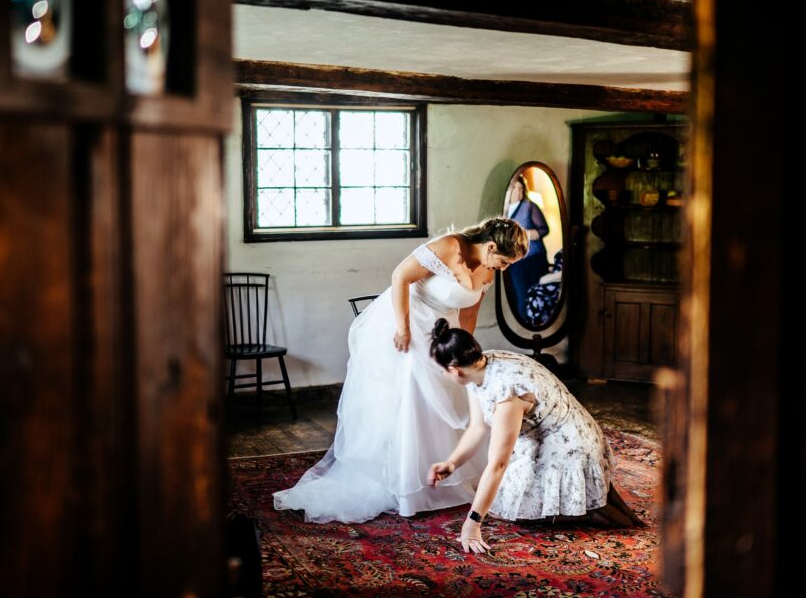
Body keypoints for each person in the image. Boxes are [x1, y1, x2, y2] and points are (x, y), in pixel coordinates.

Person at [273, 217, 529, 523]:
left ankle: (445, 480)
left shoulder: (487, 268)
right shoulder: (449, 247)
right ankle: (409, 489)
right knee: (413, 392)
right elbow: (400, 277)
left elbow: (469, 311)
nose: (504, 269)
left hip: (444, 329)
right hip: (411, 321)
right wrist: (403, 328)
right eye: (504, 261)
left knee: (450, 394)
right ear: (490, 246)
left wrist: (464, 350)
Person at [426, 320, 643, 554]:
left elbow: (498, 464)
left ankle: (591, 511)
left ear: (454, 370)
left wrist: (472, 524)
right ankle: (584, 503)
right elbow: (478, 428)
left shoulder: (506, 393)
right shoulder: (481, 364)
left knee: (507, 513)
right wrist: (453, 462)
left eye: (441, 370)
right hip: (547, 433)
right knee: (500, 503)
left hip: (571, 446)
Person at [505, 176, 550, 314]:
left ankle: (530, 326)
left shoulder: (529, 206)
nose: (518, 191)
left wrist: (524, 233)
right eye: (515, 188)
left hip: (532, 259)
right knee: (516, 296)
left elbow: (544, 229)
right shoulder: (504, 209)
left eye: (521, 188)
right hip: (513, 262)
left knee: (529, 297)